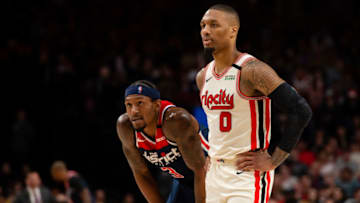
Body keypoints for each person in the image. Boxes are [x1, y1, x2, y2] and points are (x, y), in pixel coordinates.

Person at [196, 4, 312, 203]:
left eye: (214, 25)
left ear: (233, 30)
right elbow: (215, 124)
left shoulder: (252, 70)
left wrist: (274, 161)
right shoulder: (202, 76)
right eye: (203, 25)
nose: (205, 31)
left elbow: (300, 110)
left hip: (247, 174)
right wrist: (209, 151)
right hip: (214, 172)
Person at [116, 80, 208, 203]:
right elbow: (140, 172)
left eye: (140, 103)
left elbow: (200, 168)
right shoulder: (125, 126)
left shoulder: (176, 121)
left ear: (157, 105)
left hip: (214, 173)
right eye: (129, 105)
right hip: (184, 181)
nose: (134, 111)